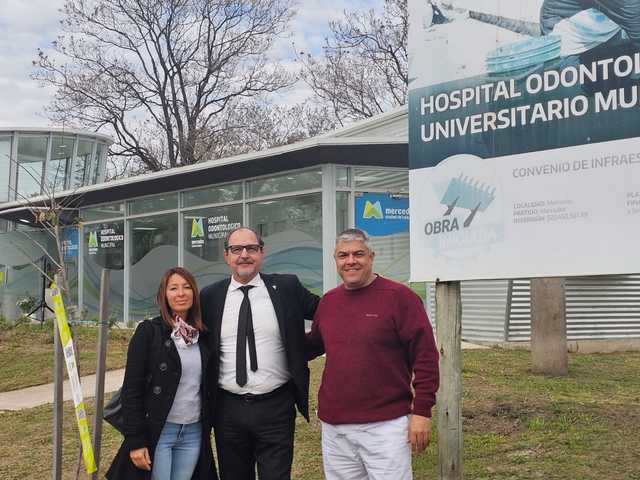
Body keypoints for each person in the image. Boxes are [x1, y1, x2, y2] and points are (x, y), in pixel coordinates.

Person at [307, 228, 440, 480]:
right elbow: (313, 344)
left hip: (385, 425)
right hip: (335, 426)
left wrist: (422, 411)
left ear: (371, 256)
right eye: (343, 255)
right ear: (335, 260)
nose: (350, 261)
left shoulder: (399, 297)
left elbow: (425, 357)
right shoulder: (329, 302)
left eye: (358, 254)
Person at [200, 227, 319, 480]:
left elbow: (327, 312)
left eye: (251, 248)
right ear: (226, 256)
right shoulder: (210, 296)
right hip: (227, 409)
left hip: (276, 406)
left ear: (262, 253)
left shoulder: (287, 287)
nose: (244, 255)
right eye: (237, 249)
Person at [107, 267, 217, 480]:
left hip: (193, 431)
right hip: (160, 431)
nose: (181, 293)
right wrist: (136, 441)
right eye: (173, 288)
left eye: (186, 287)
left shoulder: (202, 335)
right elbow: (132, 389)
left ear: (194, 293)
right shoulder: (149, 331)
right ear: (163, 295)